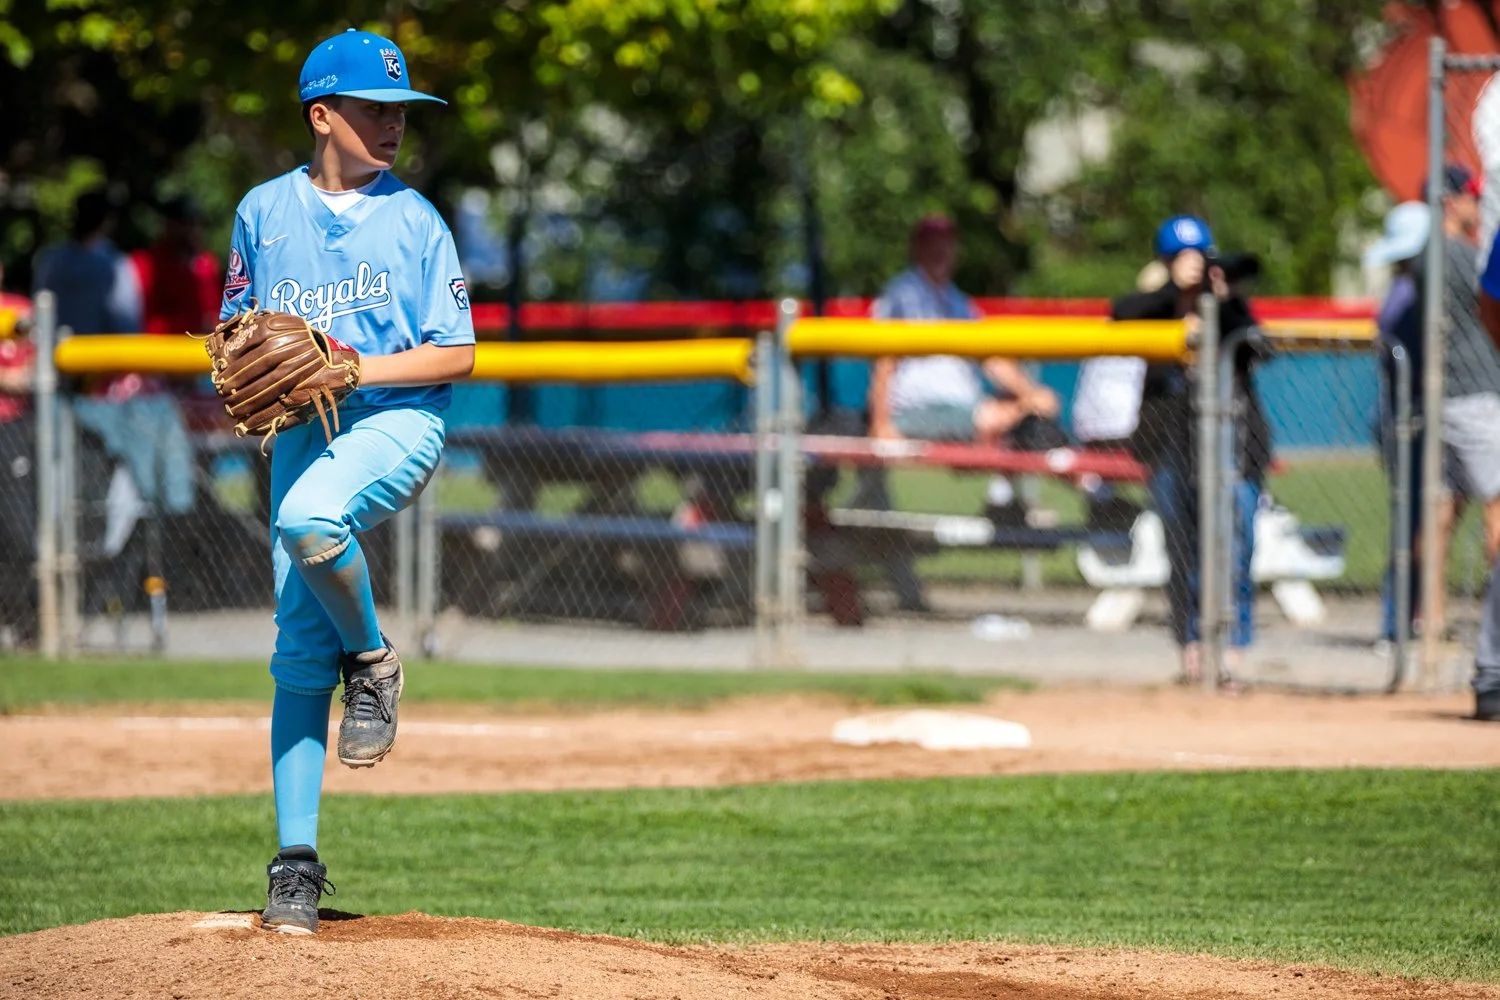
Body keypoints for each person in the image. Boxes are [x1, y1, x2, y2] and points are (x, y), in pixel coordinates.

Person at [228, 29, 475, 933]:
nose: (394, 124)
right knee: (298, 653)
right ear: (322, 114)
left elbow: (458, 351)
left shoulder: (416, 220)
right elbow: (237, 334)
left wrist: (354, 369)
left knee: (311, 517)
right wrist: (244, 365)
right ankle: (295, 867)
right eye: (375, 108)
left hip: (396, 420)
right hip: (302, 432)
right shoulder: (262, 212)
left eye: (402, 111)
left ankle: (371, 661)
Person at [1112, 215, 1268, 690]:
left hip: (1235, 446)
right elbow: (1119, 313)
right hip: (1170, 445)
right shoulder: (1156, 308)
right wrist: (1174, 294)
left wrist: (1222, 300)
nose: (1192, 265)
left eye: (1198, 257)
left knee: (1236, 544)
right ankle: (1192, 646)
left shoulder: (1228, 307)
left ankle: (1233, 648)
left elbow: (1260, 348)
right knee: (1181, 547)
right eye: (1181, 258)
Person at [869, 213, 1062, 521]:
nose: (940, 250)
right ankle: (1011, 499)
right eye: (932, 243)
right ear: (917, 248)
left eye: (946, 243)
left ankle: (1005, 501)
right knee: (995, 417)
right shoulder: (902, 293)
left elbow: (991, 359)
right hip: (918, 412)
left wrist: (1030, 393)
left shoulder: (956, 300)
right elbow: (885, 362)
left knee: (1027, 412)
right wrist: (881, 423)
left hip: (960, 410)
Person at [33, 191, 196, 517]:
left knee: (64, 474)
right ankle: (169, 519)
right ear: (107, 221)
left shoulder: (52, 260)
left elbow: (40, 318)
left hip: (57, 382)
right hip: (101, 390)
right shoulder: (113, 264)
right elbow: (127, 326)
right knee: (122, 481)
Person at [1364, 201, 1438, 648]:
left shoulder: (1407, 290)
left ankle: (1411, 618)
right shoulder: (1407, 295)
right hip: (1407, 419)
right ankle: (1399, 623)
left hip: (1407, 417)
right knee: (1411, 524)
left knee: (1420, 522)